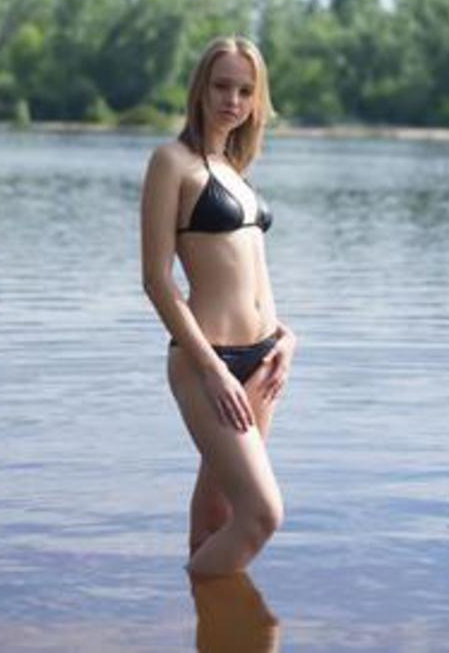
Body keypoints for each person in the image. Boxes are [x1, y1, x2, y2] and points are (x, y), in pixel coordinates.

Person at [140, 35, 296, 577]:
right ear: (201, 90)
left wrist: (287, 337)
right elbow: (157, 280)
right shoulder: (171, 162)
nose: (233, 99)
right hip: (209, 361)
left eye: (245, 90)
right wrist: (212, 370)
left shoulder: (234, 169)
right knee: (262, 515)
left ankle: (205, 618)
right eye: (222, 86)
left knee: (217, 517)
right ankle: (183, 609)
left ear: (257, 99)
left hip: (263, 359)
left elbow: (249, 276)